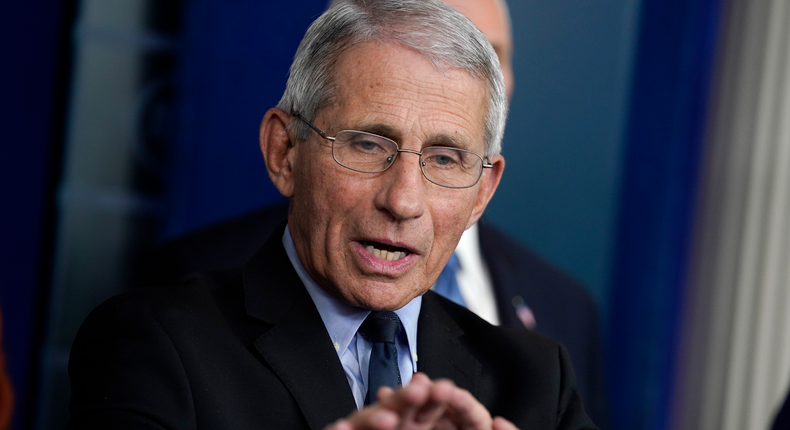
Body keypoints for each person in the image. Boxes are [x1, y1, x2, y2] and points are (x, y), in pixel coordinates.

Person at [69, 0, 598, 428]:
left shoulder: (536, 382)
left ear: (482, 191)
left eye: (444, 159)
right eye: (368, 145)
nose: (404, 200)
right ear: (285, 152)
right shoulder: (155, 345)